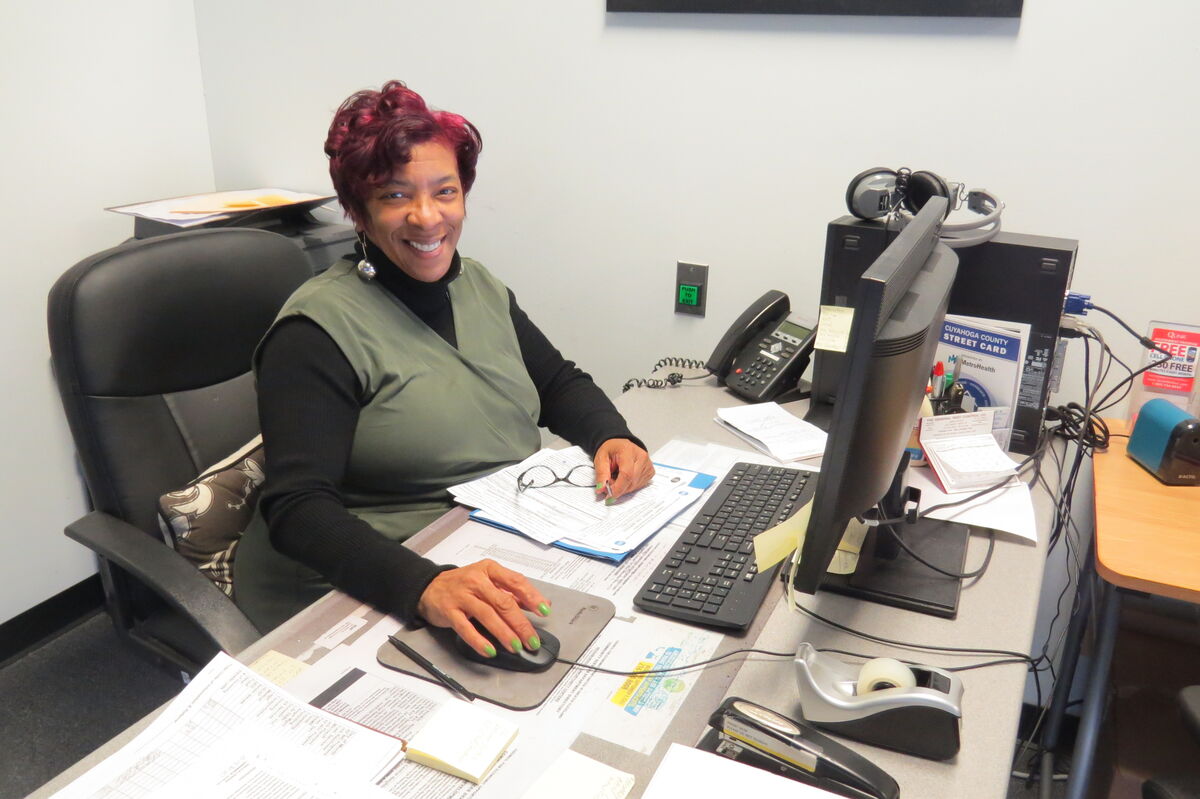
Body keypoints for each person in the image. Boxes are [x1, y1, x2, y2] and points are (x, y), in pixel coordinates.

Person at [233, 80, 654, 660]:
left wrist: (612, 434)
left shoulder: (476, 282)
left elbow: (555, 382)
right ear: (356, 211)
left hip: (477, 540)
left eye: (445, 191)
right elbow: (299, 510)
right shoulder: (315, 332)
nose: (427, 217)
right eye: (394, 196)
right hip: (351, 581)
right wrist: (423, 584)